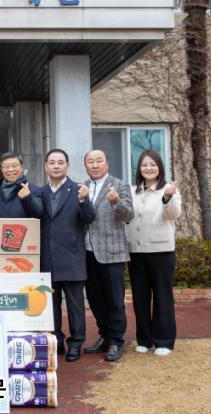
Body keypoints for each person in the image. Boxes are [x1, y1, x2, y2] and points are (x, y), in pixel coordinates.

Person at [41, 149, 95, 362]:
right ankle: (56, 341)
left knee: (75, 306)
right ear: (46, 166)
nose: (56, 166)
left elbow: (89, 218)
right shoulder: (40, 192)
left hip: (72, 257)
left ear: (68, 166)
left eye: (60, 162)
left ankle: (76, 342)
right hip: (47, 259)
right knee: (51, 306)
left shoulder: (78, 189)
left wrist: (83, 200)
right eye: (52, 162)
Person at [126, 149, 181, 357]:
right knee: (140, 298)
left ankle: (164, 341)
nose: (148, 168)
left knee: (162, 297)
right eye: (144, 165)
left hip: (161, 252)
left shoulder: (168, 189)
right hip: (136, 252)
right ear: (139, 168)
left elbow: (173, 214)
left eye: (152, 164)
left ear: (160, 167)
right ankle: (144, 339)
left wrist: (167, 198)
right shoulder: (133, 191)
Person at [83, 149, 134, 362]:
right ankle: (104, 336)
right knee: (95, 299)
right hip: (87, 252)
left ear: (107, 163)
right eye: (90, 162)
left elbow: (129, 215)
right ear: (86, 165)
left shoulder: (119, 185)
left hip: (112, 252)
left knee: (114, 300)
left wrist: (116, 202)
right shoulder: (83, 186)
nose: (95, 165)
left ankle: (115, 341)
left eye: (99, 161)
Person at [0, 152, 43, 219]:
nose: (11, 169)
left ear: (21, 167)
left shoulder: (33, 189)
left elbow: (38, 214)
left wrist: (27, 198)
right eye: (6, 166)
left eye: (14, 166)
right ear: (1, 169)